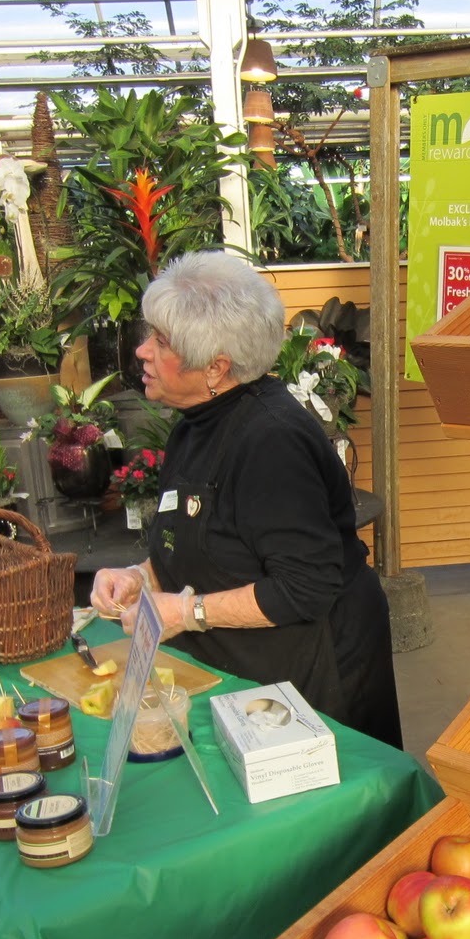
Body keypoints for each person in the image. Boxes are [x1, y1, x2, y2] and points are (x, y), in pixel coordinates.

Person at [89, 251, 404, 749]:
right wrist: (139, 576)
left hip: (314, 674)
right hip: (245, 674)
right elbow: (199, 538)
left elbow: (305, 587)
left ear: (216, 366)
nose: (141, 352)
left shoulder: (271, 441)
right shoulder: (194, 425)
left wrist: (183, 614)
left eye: (161, 341)